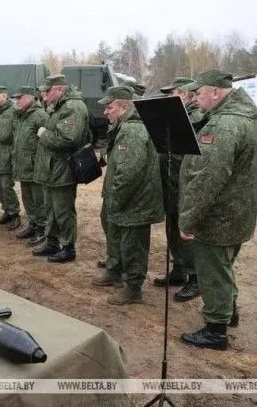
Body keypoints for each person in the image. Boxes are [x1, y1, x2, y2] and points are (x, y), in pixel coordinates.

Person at [178, 70, 255, 350]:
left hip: (218, 217)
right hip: (239, 213)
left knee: (213, 271)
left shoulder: (224, 125)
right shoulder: (246, 117)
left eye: (198, 93)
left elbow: (208, 179)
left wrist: (187, 219)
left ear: (215, 93)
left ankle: (215, 331)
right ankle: (228, 313)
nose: (194, 99)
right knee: (225, 266)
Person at [91, 87, 164, 304]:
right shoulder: (123, 127)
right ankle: (114, 272)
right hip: (126, 198)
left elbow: (129, 172)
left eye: (109, 107)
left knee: (133, 245)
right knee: (118, 237)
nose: (105, 112)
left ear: (123, 107)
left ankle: (133, 288)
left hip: (135, 201)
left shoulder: (132, 131)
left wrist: (116, 199)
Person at [152, 77, 206, 302]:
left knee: (186, 232)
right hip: (171, 183)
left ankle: (194, 278)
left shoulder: (197, 118)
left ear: (186, 94)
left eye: (172, 93)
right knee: (172, 228)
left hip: (185, 185)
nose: (167, 98)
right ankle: (179, 270)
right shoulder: (177, 117)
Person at [32, 74, 90, 263]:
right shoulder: (59, 106)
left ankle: (68, 247)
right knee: (52, 209)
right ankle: (52, 242)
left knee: (63, 211)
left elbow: (67, 139)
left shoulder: (72, 107)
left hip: (63, 168)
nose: (44, 95)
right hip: (53, 168)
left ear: (59, 89)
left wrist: (43, 133)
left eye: (47, 91)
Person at [11, 86, 48, 245]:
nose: (17, 101)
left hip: (35, 166)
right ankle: (33, 224)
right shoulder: (21, 116)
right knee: (27, 198)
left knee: (38, 199)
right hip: (23, 165)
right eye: (16, 98)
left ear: (30, 97)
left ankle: (42, 229)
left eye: (20, 98)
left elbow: (46, 140)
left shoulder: (39, 115)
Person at [0, 86, 21, 230]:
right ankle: (6, 210)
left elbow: (18, 137)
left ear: (4, 96)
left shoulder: (14, 112)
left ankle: (14, 214)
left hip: (7, 155)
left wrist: (15, 156)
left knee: (7, 186)